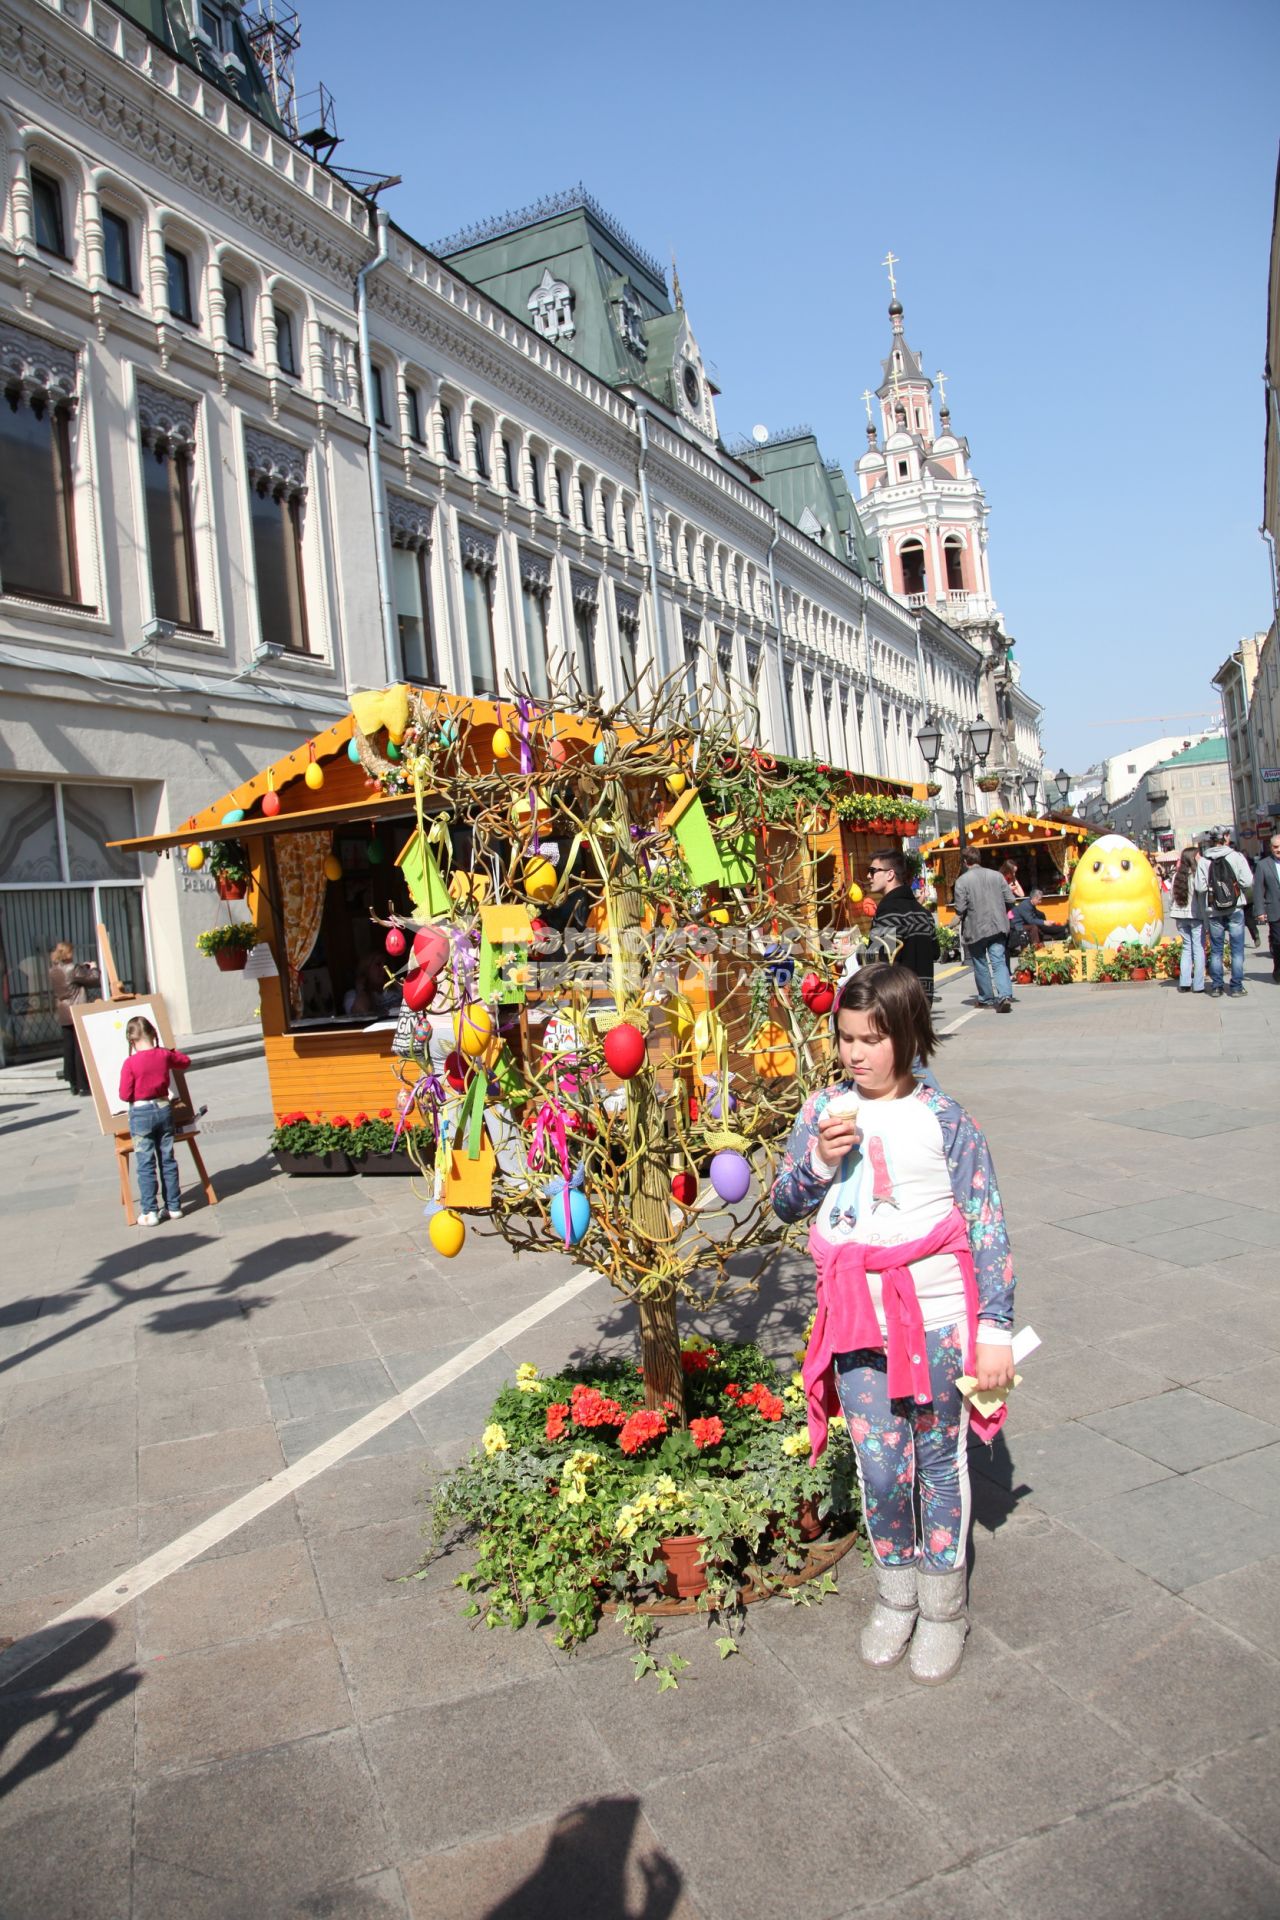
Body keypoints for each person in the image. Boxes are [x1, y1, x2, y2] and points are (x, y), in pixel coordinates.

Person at [771, 963, 1016, 1685]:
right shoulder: (822, 1112)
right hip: (858, 1322)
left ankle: (943, 1609)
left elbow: (988, 1223)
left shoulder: (947, 1119)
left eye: (872, 1039)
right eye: (846, 1038)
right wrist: (818, 1160)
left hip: (939, 1320)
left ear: (907, 1037)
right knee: (880, 1465)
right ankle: (895, 1595)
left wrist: (994, 1328)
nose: (856, 1054)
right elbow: (785, 1201)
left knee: (940, 1464)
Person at [119, 1015, 191, 1226]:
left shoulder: (130, 1062)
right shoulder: (163, 1055)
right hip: (163, 1109)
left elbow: (124, 1094)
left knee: (145, 1163)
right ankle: (174, 1206)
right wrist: (168, 1050)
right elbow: (185, 1062)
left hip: (141, 1114)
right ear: (153, 1035)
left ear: (132, 1041)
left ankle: (150, 1211)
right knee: (167, 1159)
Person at [864, 849, 940, 1003]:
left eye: (873, 871)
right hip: (923, 998)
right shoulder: (923, 913)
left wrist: (851, 954)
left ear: (890, 874)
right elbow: (935, 952)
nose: (868, 876)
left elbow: (879, 959)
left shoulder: (888, 911)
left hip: (896, 999)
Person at [952, 849, 1016, 1012]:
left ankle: (986, 998)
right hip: (997, 925)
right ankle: (1005, 995)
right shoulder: (997, 876)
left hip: (976, 928)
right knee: (999, 961)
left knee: (980, 963)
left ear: (965, 862)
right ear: (979, 859)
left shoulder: (962, 881)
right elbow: (1010, 899)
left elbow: (960, 908)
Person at [1202, 828, 1253, 999]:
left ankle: (1216, 987)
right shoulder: (1236, 856)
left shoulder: (1204, 860)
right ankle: (1236, 987)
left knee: (1216, 949)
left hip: (1213, 910)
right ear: (1225, 837)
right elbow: (1247, 881)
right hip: (1235, 908)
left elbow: (1199, 887)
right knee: (1237, 949)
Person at [47, 939, 94, 1095]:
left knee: (68, 1048)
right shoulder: (73, 968)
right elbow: (92, 979)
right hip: (76, 1009)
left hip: (63, 1010)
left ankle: (72, 1082)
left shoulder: (53, 971)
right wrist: (94, 968)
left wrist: (82, 967)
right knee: (80, 1048)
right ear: (69, 953)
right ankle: (83, 1085)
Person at [1167, 845, 1208, 994]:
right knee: (1198, 948)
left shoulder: (1177, 876)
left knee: (1186, 947)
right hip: (1196, 915)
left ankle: (1184, 983)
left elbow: (1171, 898)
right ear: (1193, 858)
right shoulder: (1196, 874)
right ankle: (1198, 984)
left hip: (1179, 916)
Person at [1253, 831, 1280, 984]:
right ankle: (1278, 968)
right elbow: (1258, 890)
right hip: (1274, 909)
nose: (1279, 850)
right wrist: (1260, 911)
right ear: (1271, 847)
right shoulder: (1263, 865)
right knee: (1278, 941)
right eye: (1276, 847)